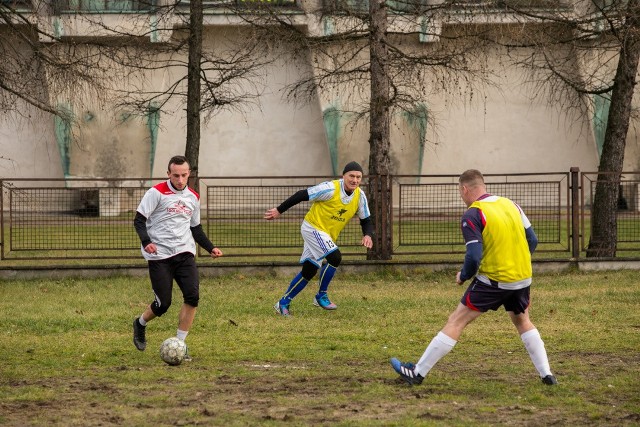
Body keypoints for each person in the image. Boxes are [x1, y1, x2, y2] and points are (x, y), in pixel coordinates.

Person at [391, 169, 557, 386]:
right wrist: (516, 262)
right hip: (522, 278)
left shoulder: (474, 213)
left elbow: (474, 255)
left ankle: (417, 373)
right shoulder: (511, 204)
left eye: (461, 193)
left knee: (456, 321)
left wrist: (464, 275)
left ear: (464, 189)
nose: (462, 197)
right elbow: (532, 240)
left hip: (494, 280)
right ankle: (547, 375)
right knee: (523, 321)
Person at [132, 155, 223, 359]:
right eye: (175, 176)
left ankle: (180, 344)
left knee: (192, 296)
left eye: (184, 175)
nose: (180, 180)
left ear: (189, 173)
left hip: (184, 252)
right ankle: (140, 323)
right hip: (159, 255)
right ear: (168, 174)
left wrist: (210, 248)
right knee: (163, 304)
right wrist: (147, 242)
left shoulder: (193, 197)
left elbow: (196, 228)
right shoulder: (155, 193)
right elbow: (139, 221)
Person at [264, 161, 374, 316]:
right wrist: (279, 210)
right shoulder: (330, 188)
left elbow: (366, 220)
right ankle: (321, 295)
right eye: (351, 176)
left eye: (358, 177)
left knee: (309, 271)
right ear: (343, 176)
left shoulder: (360, 196)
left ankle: (283, 302)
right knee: (335, 257)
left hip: (326, 235)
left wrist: (368, 235)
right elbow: (302, 194)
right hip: (312, 228)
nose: (354, 180)